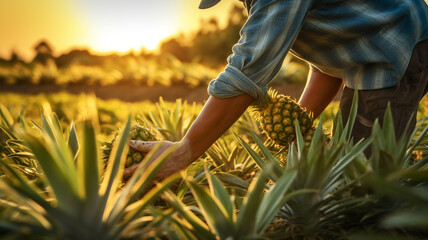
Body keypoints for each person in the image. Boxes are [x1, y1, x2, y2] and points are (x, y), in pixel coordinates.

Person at [123, 0, 428, 180]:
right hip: (380, 45)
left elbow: (246, 72)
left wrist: (185, 150)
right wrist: (299, 123)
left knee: (365, 179)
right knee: (347, 166)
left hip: (398, 44)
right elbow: (331, 54)